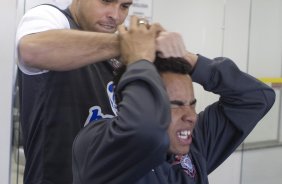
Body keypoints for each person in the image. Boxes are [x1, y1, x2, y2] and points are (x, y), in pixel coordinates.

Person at [72, 15, 276, 184]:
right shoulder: (101, 146)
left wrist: (188, 59)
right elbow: (145, 129)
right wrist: (139, 58)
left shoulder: (195, 144)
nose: (191, 117)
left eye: (192, 104)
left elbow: (256, 97)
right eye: (176, 106)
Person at [15, 0, 190, 183]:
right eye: (106, 1)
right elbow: (31, 50)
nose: (115, 15)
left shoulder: (119, 54)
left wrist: (166, 52)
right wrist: (132, 44)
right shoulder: (52, 18)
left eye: (124, 6)